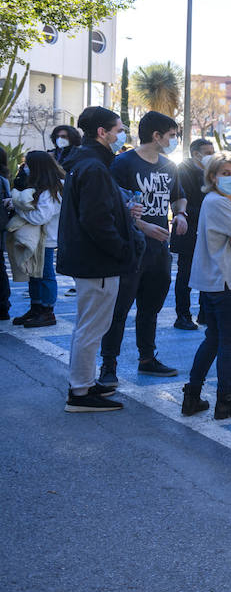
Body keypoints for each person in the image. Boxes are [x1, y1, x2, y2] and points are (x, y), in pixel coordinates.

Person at [57, 107, 135, 413]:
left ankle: (85, 383)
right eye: (118, 130)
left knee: (88, 326)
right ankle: (80, 392)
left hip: (91, 260)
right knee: (92, 328)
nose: (121, 135)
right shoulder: (94, 167)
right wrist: (121, 250)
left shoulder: (86, 163)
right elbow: (97, 220)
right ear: (102, 132)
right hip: (97, 262)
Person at [99, 111, 186, 385]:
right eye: (171, 136)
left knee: (151, 308)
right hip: (131, 249)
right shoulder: (123, 163)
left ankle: (147, 359)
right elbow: (113, 205)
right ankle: (108, 366)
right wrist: (143, 227)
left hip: (160, 251)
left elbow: (179, 196)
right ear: (156, 136)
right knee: (119, 311)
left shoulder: (170, 165)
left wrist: (181, 214)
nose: (174, 140)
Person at [183, 152, 231, 420]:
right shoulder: (220, 203)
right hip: (227, 280)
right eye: (225, 173)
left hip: (216, 280)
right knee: (229, 342)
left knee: (215, 339)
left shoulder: (218, 201)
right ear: (212, 176)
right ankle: (224, 400)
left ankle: (193, 395)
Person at [8, 150, 63, 327]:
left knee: (45, 274)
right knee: (34, 274)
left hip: (46, 239)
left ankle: (47, 312)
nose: (26, 168)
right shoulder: (44, 185)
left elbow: (40, 217)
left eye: (28, 164)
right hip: (37, 238)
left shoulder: (54, 188)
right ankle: (36, 308)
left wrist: (18, 208)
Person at [172, 138, 215, 330]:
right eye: (208, 152)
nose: (212, 156)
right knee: (185, 276)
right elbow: (182, 201)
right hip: (188, 230)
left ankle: (205, 313)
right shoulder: (183, 171)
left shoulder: (212, 172)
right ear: (196, 154)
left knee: (208, 273)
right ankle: (183, 315)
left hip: (208, 231)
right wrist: (210, 211)